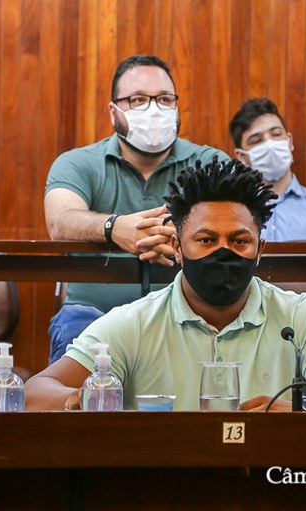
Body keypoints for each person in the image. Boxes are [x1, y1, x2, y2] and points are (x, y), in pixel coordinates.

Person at [26, 157, 306, 412]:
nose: (223, 252)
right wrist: (82, 399)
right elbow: (36, 393)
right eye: (205, 240)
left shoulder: (299, 316)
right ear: (176, 248)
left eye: (239, 241)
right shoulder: (134, 323)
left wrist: (302, 409)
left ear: (260, 251)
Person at [44, 55, 228, 364]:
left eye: (164, 99)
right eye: (138, 100)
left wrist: (170, 233)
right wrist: (114, 228)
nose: (154, 109)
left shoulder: (212, 163)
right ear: (113, 111)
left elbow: (236, 222)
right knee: (74, 340)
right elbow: (60, 221)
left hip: (191, 312)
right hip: (93, 316)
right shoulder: (77, 163)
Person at [229, 98, 306, 241]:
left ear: (289, 141)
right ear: (241, 156)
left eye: (276, 134)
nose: (270, 144)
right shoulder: (228, 212)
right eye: (256, 140)